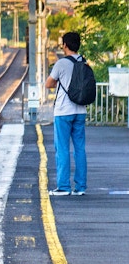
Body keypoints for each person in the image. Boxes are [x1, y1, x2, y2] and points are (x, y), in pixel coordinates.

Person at [45, 31, 88, 196]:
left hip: (63, 111)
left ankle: (63, 186)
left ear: (65, 45)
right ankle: (81, 187)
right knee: (80, 149)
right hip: (80, 110)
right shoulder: (84, 62)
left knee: (62, 148)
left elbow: (48, 83)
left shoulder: (61, 63)